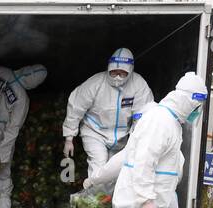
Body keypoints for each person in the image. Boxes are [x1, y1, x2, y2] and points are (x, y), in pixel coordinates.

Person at [109, 72, 207, 208]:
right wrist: (146, 200)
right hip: (137, 203)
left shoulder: (170, 122)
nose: (197, 111)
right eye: (198, 105)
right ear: (189, 100)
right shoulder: (160, 121)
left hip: (148, 204)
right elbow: (144, 163)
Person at [63, 48, 155, 176]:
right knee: (99, 167)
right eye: (113, 72)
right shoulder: (95, 83)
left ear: (131, 71)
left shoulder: (138, 85)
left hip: (122, 137)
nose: (117, 77)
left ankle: (110, 196)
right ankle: (94, 195)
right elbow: (76, 107)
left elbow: (143, 114)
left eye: (122, 73)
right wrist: (69, 137)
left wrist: (138, 139)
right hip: (95, 131)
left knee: (115, 171)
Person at [0, 65, 47, 208]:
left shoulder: (2, 72)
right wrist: (3, 153)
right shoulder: (22, 98)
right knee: (2, 177)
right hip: (0, 133)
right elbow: (12, 130)